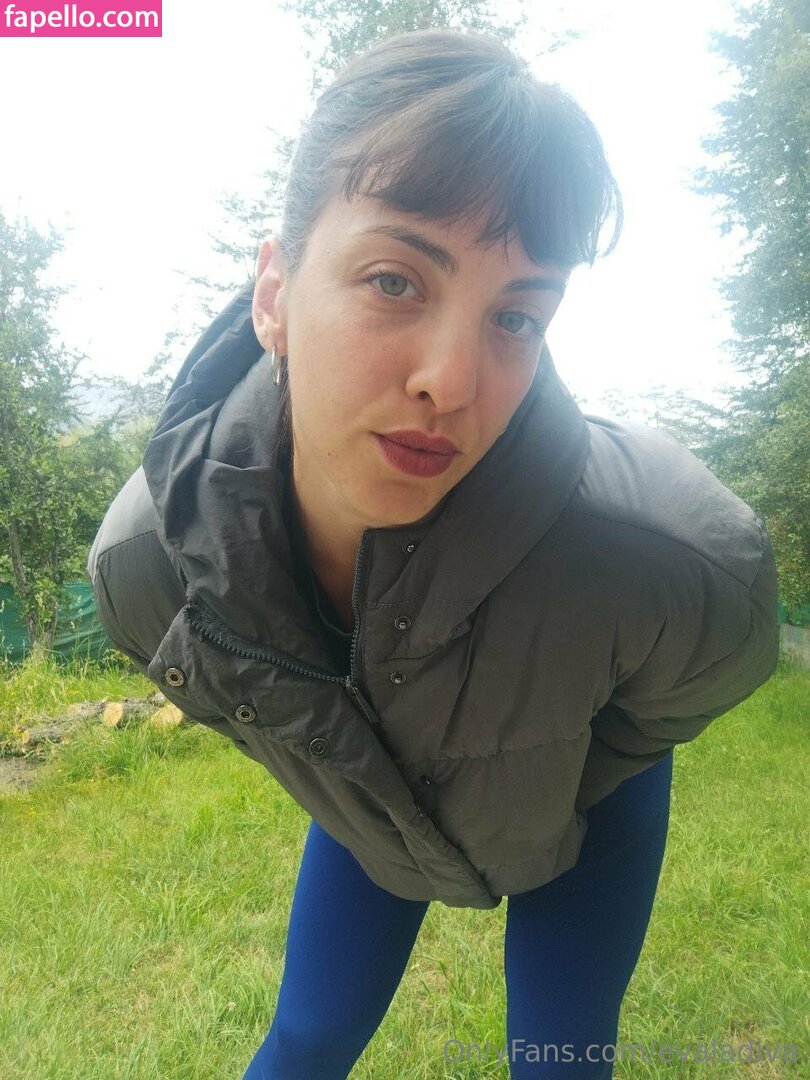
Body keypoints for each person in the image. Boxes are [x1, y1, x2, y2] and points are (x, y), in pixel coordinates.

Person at [87, 28, 780, 1079]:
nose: (451, 383)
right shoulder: (153, 571)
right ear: (273, 293)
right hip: (376, 801)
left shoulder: (667, 564)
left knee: (559, 1058)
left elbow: (696, 683)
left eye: (517, 316)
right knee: (307, 1041)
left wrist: (557, 773)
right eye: (394, 281)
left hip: (583, 810)